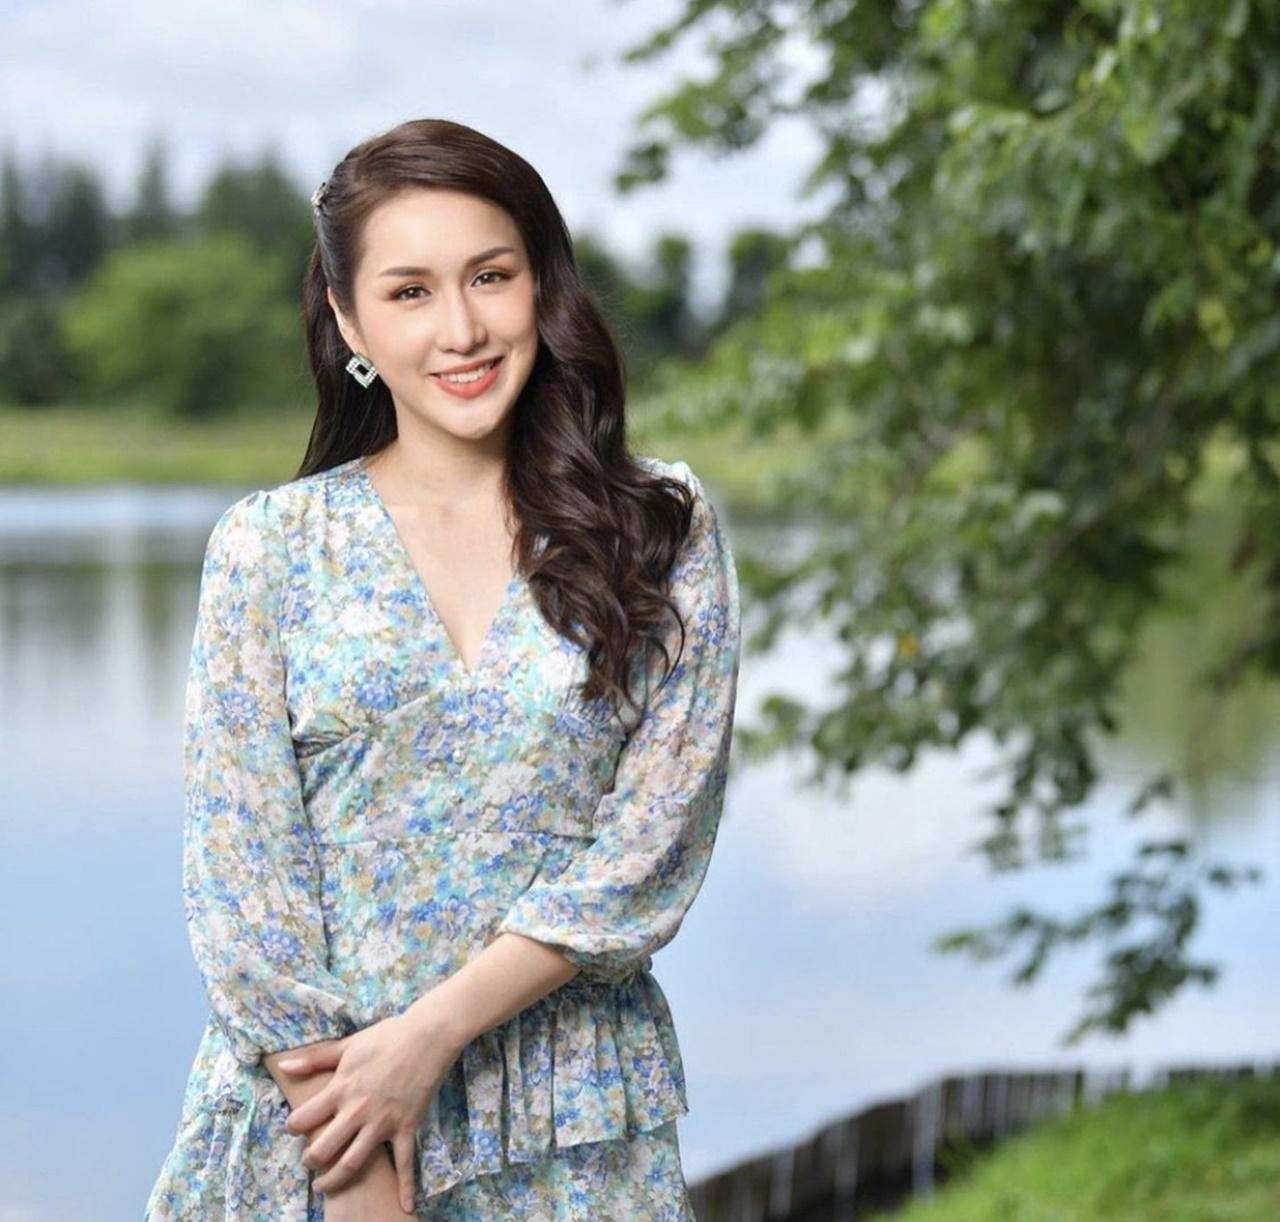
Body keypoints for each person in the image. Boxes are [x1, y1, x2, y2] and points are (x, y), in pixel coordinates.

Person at [144, 116, 741, 1221]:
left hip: (573, 1126)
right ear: (348, 319)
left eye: (490, 276)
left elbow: (648, 850)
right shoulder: (272, 549)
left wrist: (426, 1039)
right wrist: (360, 1171)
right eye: (410, 291)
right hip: (316, 1130)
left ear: (541, 285)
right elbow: (244, 890)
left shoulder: (658, 526)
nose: (461, 329)